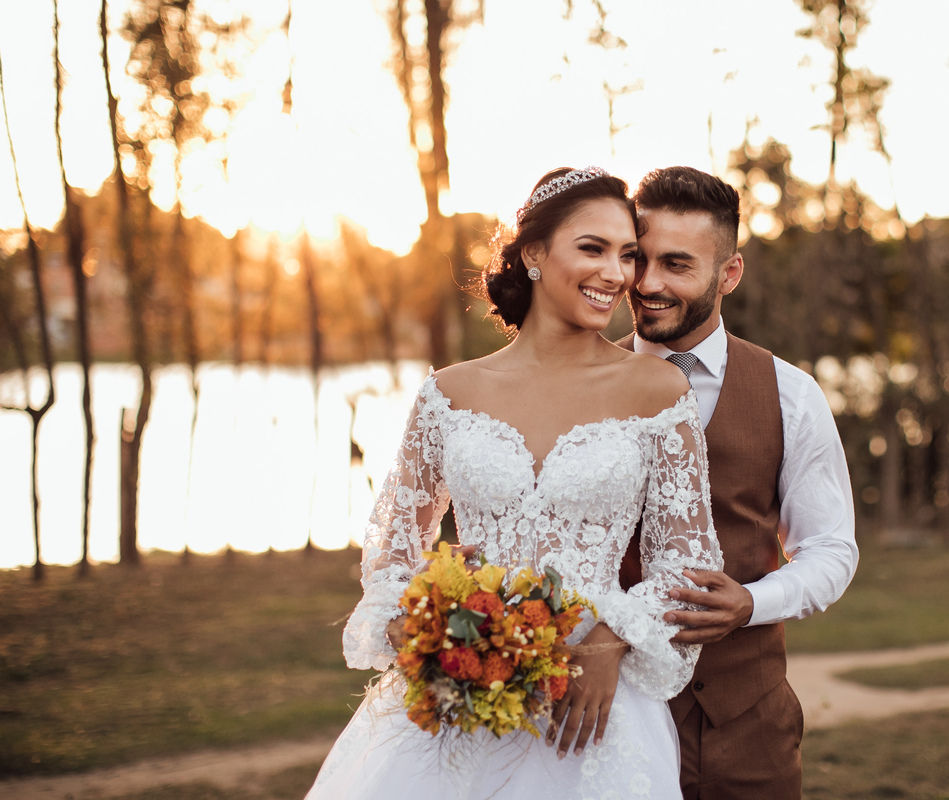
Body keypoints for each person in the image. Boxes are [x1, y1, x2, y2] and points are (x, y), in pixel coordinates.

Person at [305, 166, 724, 800]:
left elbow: (686, 564)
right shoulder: (448, 394)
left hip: (590, 716)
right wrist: (424, 627)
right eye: (593, 248)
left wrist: (612, 640)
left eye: (627, 255)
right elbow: (393, 555)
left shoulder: (659, 392)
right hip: (457, 703)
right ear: (533, 252)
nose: (616, 273)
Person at [616, 166, 858, 799]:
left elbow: (831, 549)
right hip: (608, 727)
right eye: (638, 260)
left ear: (730, 273)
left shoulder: (791, 395)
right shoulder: (582, 386)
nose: (648, 284)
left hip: (746, 731)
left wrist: (754, 602)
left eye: (677, 264)